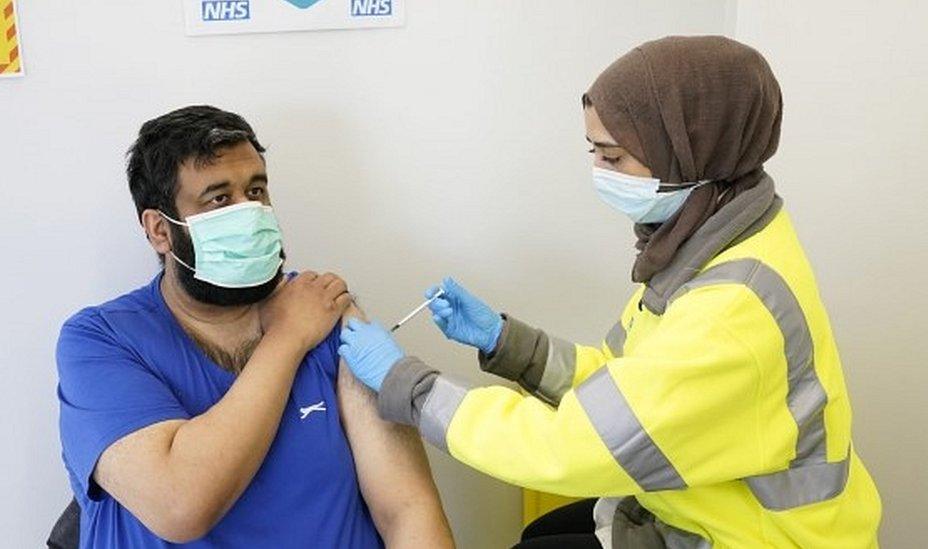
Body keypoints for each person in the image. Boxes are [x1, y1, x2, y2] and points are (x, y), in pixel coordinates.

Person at [337, 36, 881, 548]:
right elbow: (628, 386)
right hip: (699, 503)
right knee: (540, 536)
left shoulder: (729, 307)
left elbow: (569, 448)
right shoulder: (714, 238)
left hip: (753, 537)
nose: (597, 170)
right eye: (593, 150)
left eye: (613, 157)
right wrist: (509, 343)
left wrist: (406, 385)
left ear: (688, 152)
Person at [55, 106, 453, 548]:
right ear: (160, 231)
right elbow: (181, 505)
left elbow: (408, 510)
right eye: (219, 199)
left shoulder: (323, 309)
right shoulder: (100, 341)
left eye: (256, 190)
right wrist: (287, 339)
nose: (250, 212)